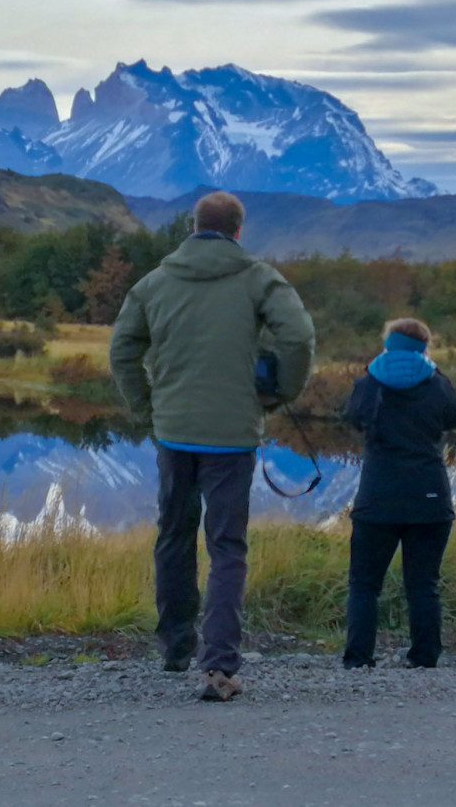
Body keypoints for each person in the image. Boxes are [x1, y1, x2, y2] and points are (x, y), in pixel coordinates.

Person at [109, 191, 315, 700]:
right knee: (227, 547)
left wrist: (146, 409)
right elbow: (299, 337)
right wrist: (279, 393)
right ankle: (219, 667)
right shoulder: (259, 278)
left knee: (174, 537)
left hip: (174, 432)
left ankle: (176, 647)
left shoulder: (156, 281)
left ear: (191, 225)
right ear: (239, 231)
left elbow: (122, 350)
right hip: (231, 437)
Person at [341, 317, 456, 669]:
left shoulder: (368, 384)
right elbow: (453, 419)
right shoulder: (438, 384)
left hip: (377, 497)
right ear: (425, 347)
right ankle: (424, 657)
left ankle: (358, 658)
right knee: (423, 584)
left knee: (364, 585)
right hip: (429, 496)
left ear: (388, 346)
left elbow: (353, 416)